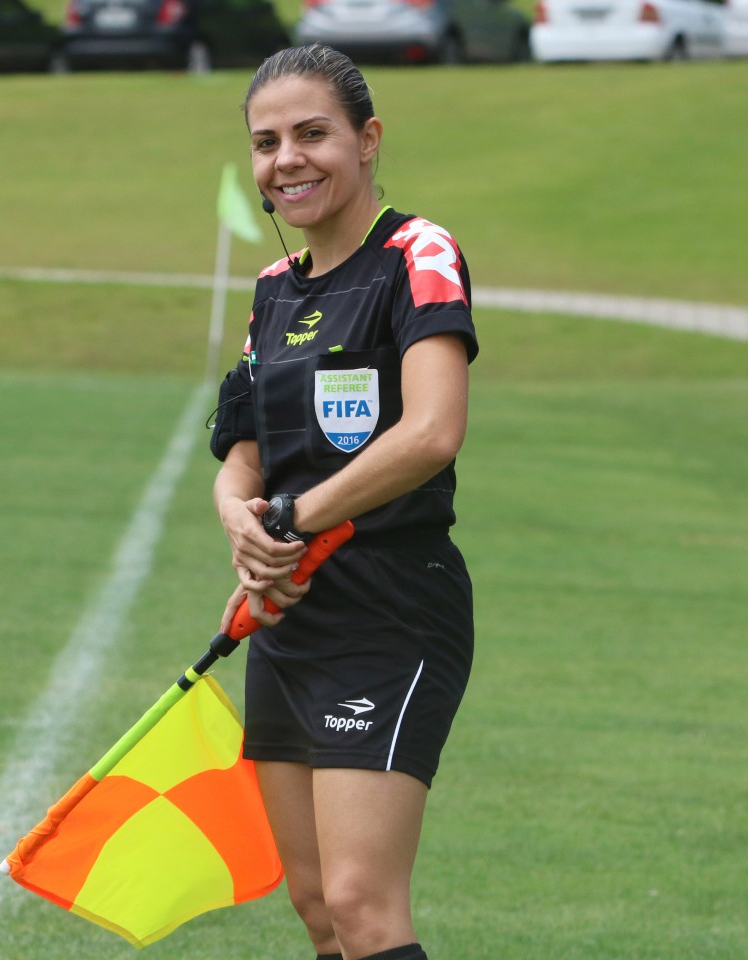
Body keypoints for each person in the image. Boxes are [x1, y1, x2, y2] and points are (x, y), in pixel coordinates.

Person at [208, 43, 478, 960]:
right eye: (267, 142)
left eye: (312, 134)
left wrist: (291, 520)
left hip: (392, 610)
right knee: (319, 906)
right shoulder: (270, 291)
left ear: (367, 140)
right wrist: (241, 522)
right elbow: (242, 459)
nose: (287, 159)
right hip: (290, 616)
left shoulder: (418, 253)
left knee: (364, 905)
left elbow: (432, 432)